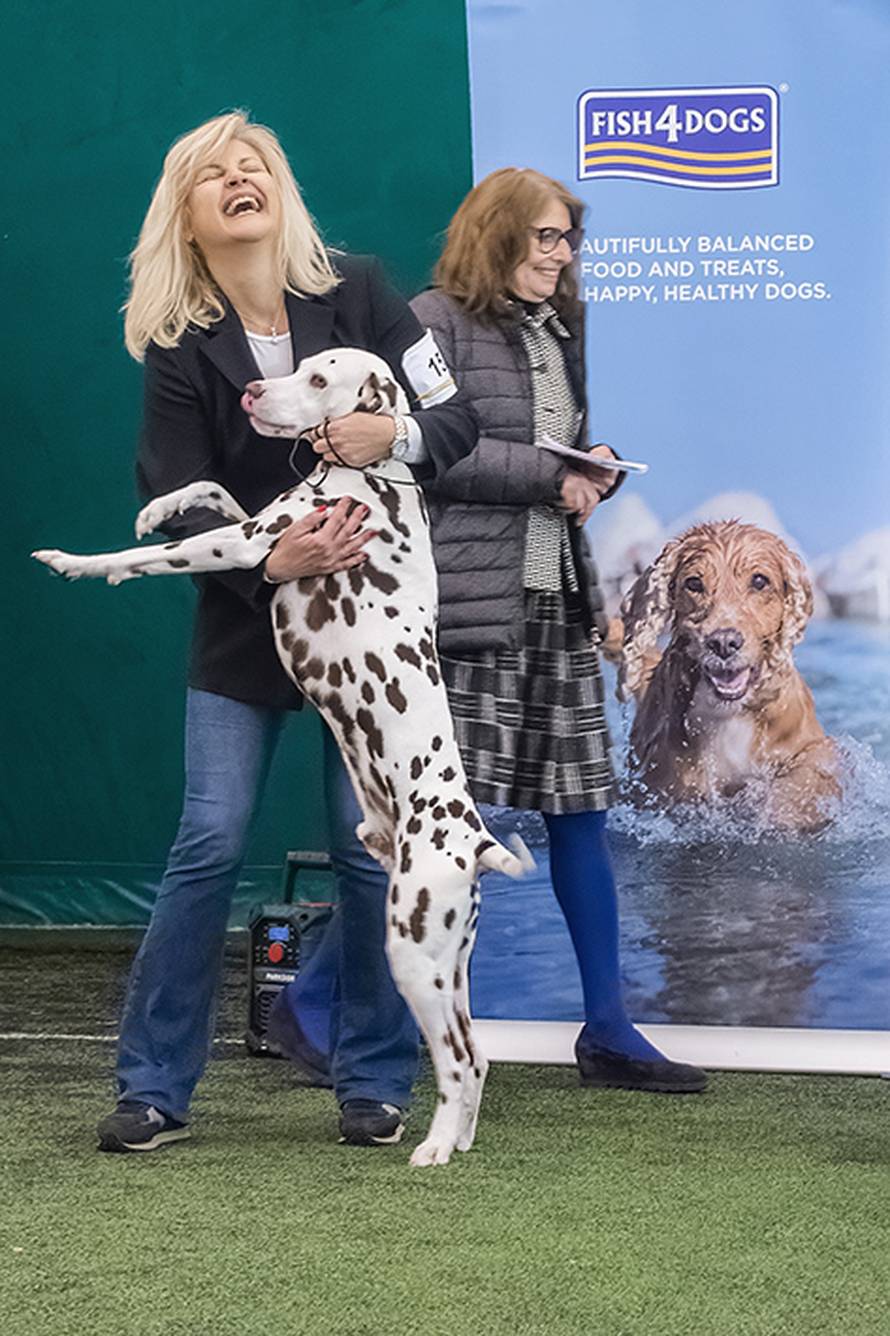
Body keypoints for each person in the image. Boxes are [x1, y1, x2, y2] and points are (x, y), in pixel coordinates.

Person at [96, 111, 476, 1153]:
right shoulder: (180, 346)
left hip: (373, 651)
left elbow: (455, 426)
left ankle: (372, 1081)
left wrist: (386, 432)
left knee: (372, 860)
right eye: (211, 173)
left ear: (280, 187)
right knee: (207, 842)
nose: (235, 179)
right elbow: (174, 494)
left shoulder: (360, 290)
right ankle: (153, 1087)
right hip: (246, 623)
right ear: (188, 213)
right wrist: (272, 561)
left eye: (250, 162)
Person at [408, 167, 707, 1093]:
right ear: (497, 235)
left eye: (568, 239)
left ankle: (608, 1031)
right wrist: (552, 472)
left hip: (556, 605)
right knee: (437, 829)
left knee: (582, 813)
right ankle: (317, 1009)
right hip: (470, 611)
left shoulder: (557, 330)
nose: (563, 254)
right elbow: (426, 448)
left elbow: (546, 463)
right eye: (546, 237)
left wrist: (591, 464)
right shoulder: (430, 321)